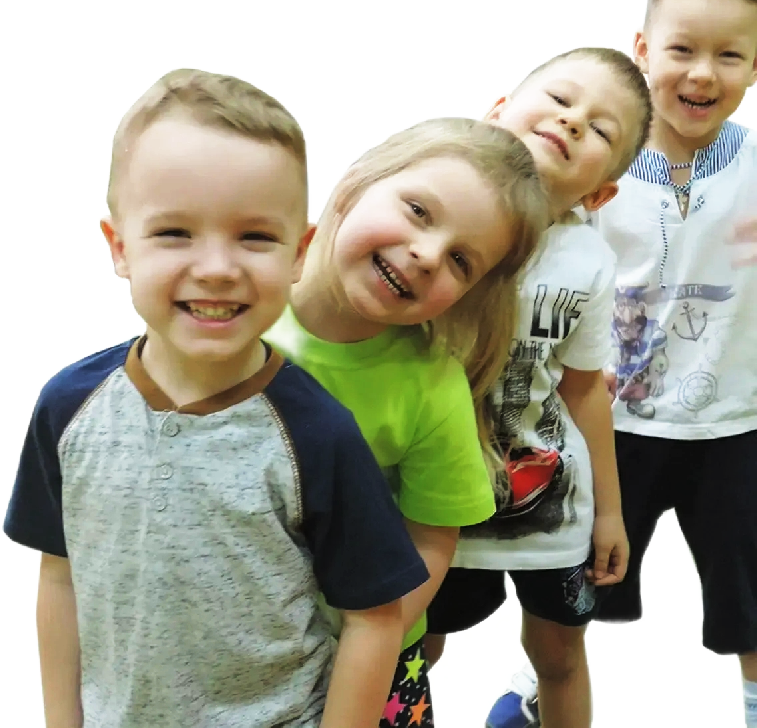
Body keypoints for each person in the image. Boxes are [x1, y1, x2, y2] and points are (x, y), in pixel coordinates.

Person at [3, 69, 431, 728]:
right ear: (120, 247)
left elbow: (373, 617)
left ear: (299, 251)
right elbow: (60, 575)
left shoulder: (317, 434)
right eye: (175, 232)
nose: (217, 268)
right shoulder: (68, 407)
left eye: (254, 237)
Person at [266, 116, 551, 727]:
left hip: (362, 663)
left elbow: (430, 540)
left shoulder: (433, 387)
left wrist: (368, 648)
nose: (426, 254)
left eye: (461, 260)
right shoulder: (239, 317)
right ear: (355, 183)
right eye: (419, 211)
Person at [423, 48, 653, 728]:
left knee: (556, 655)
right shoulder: (427, 225)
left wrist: (610, 513)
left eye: (600, 129)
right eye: (558, 98)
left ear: (600, 193)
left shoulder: (589, 261)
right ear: (496, 113)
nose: (573, 120)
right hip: (430, 501)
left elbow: (584, 392)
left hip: (549, 508)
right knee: (410, 646)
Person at [588, 0, 757, 728]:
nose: (701, 73)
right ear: (642, 49)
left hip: (735, 424)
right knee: (576, 587)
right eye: (682, 49)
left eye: (728, 54)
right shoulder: (594, 171)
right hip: (613, 425)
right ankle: (535, 686)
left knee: (748, 605)